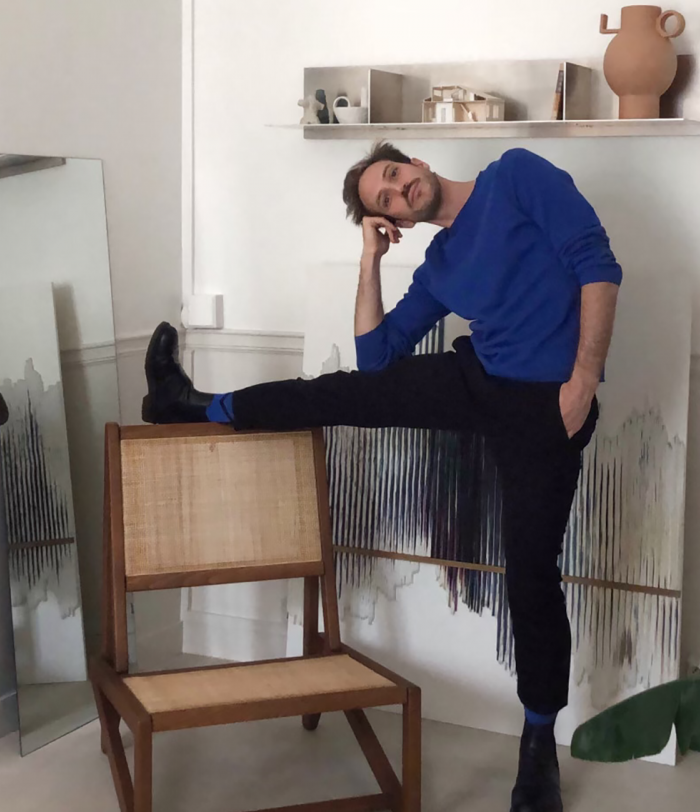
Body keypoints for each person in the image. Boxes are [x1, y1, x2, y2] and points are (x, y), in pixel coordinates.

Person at [142, 142, 621, 812]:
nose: (399, 192)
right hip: (479, 380)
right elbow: (376, 358)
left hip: (549, 403)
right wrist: (370, 260)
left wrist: (584, 379)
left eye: (394, 176)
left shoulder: (515, 176)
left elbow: (596, 264)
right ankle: (192, 404)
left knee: (531, 572)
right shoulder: (439, 266)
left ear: (416, 163)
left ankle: (538, 746)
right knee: (342, 392)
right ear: (393, 220)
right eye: (384, 201)